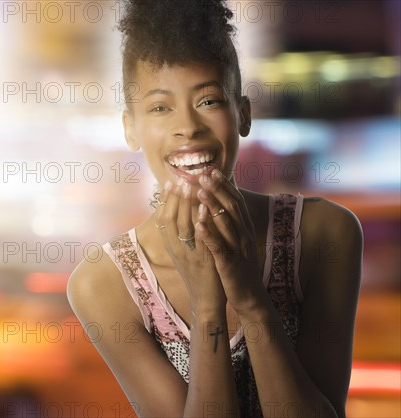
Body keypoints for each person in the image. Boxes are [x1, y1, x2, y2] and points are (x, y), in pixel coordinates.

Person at [67, 1, 363, 416]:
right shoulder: (103, 284)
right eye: (159, 107)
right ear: (130, 128)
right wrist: (208, 307)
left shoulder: (324, 233)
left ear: (243, 114)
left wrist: (251, 300)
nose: (187, 126)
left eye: (207, 101)